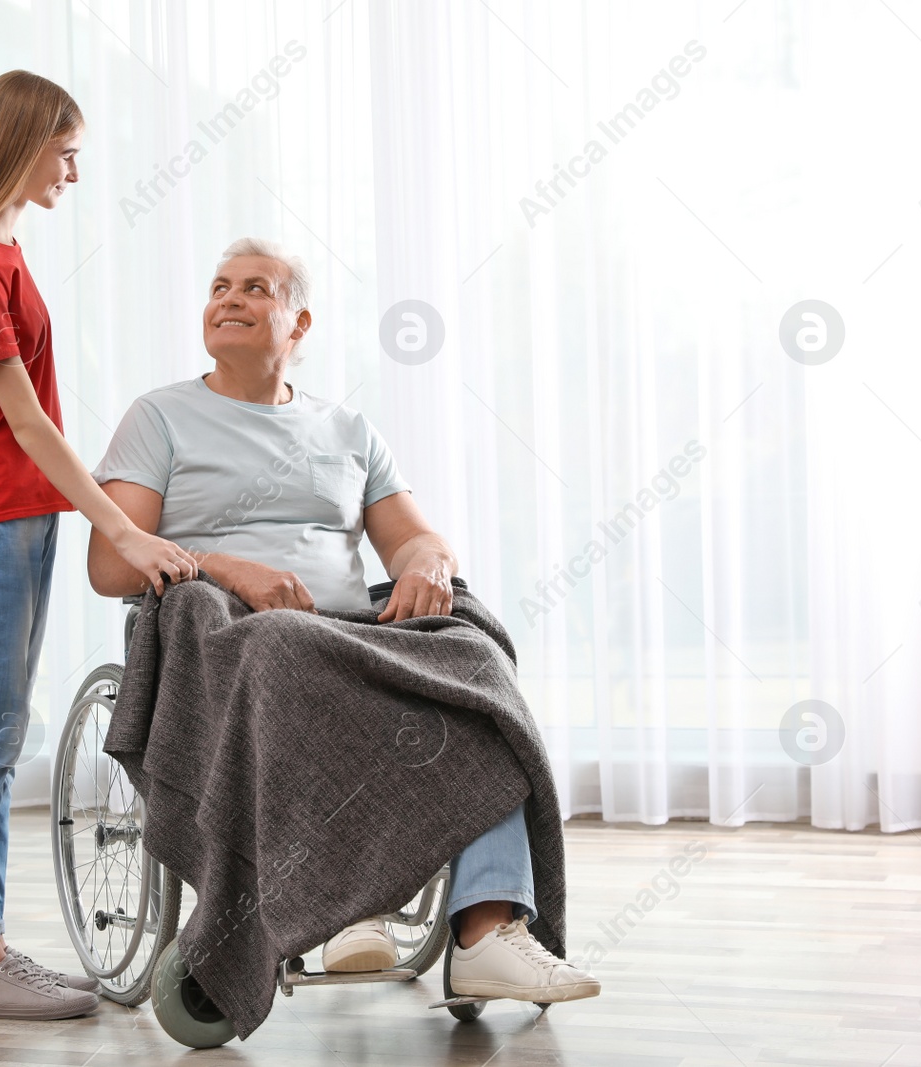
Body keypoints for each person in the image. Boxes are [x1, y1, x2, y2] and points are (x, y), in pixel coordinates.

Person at [86, 237, 602, 1006]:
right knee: (284, 646)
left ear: (298, 325)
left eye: (255, 288)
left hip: (347, 630)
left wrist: (427, 562)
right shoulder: (160, 416)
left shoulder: (348, 429)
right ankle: (343, 906)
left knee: (476, 652)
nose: (229, 298)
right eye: (219, 286)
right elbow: (111, 565)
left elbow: (413, 537)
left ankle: (488, 930)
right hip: (224, 629)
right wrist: (228, 566)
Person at [0, 70, 200, 1022]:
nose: (76, 168)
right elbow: (28, 424)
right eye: (65, 149)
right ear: (22, 141)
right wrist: (119, 525)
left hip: (10, 522)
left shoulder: (0, 251)